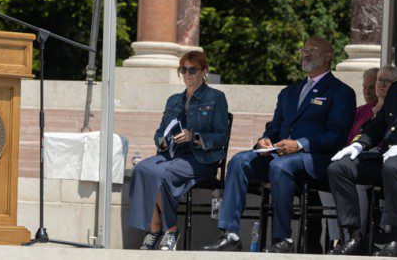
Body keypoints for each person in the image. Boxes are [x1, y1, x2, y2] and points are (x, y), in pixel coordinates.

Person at [202, 37, 356, 253]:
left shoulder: (341, 92)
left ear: (328, 56)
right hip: (280, 154)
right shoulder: (289, 92)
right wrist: (264, 141)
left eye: (312, 50)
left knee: (280, 167)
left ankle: (283, 239)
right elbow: (274, 128)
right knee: (239, 161)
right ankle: (231, 234)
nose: (306, 54)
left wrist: (300, 145)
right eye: (304, 50)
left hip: (315, 159)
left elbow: (337, 136)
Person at [127, 51, 229, 251]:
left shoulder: (216, 98)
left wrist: (194, 137)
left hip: (201, 159)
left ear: (204, 71)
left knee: (163, 174)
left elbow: (221, 137)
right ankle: (155, 227)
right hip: (172, 155)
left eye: (193, 70)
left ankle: (171, 231)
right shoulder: (174, 100)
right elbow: (159, 135)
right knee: (141, 169)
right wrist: (165, 141)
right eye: (183, 69)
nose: (187, 74)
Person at [327, 66, 397, 256]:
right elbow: (380, 124)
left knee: (392, 167)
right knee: (339, 168)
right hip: (388, 156)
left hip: (396, 161)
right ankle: (354, 236)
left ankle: (395, 238)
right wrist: (359, 145)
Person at [319, 67, 379, 247]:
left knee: (358, 182)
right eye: (364, 87)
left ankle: (356, 236)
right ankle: (338, 238)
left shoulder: (384, 110)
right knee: (326, 181)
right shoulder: (359, 111)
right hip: (352, 156)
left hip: (375, 158)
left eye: (372, 87)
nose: (367, 92)